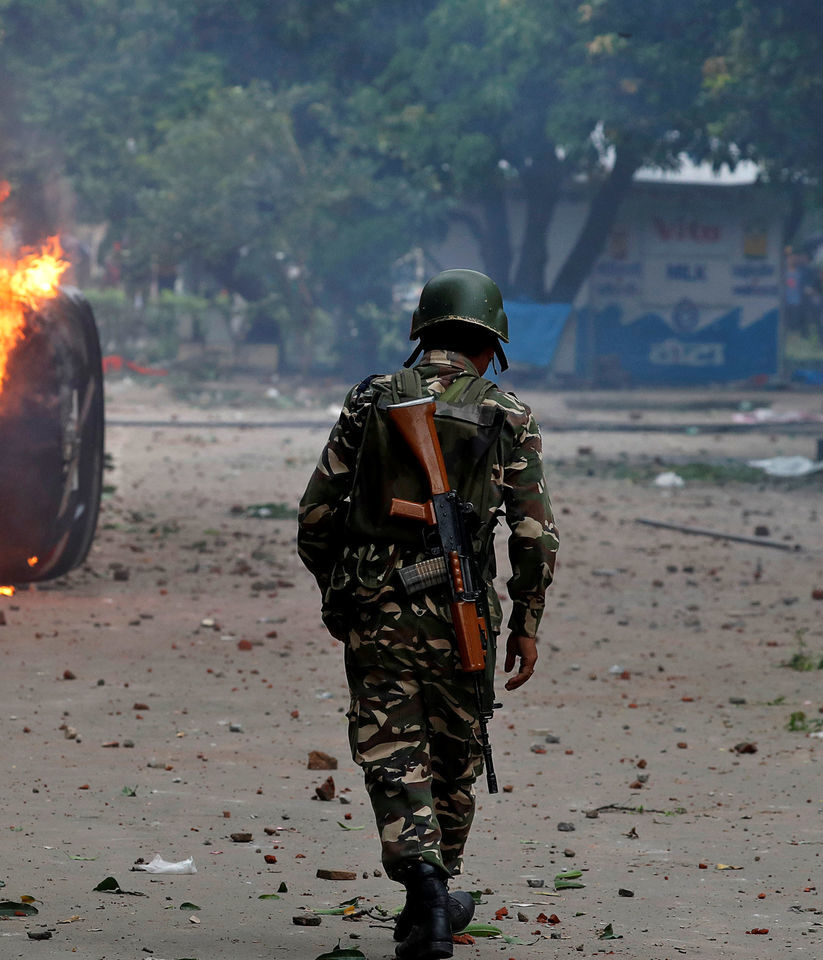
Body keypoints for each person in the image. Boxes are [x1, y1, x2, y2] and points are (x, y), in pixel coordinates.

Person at [296, 269, 559, 960]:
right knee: (453, 760)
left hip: (378, 611)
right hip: (462, 612)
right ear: (491, 343)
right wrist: (528, 621)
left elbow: (316, 516)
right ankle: (435, 898)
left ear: (425, 332)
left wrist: (341, 594)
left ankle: (426, 893)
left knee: (393, 754)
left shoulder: (371, 398)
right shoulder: (509, 413)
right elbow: (533, 537)